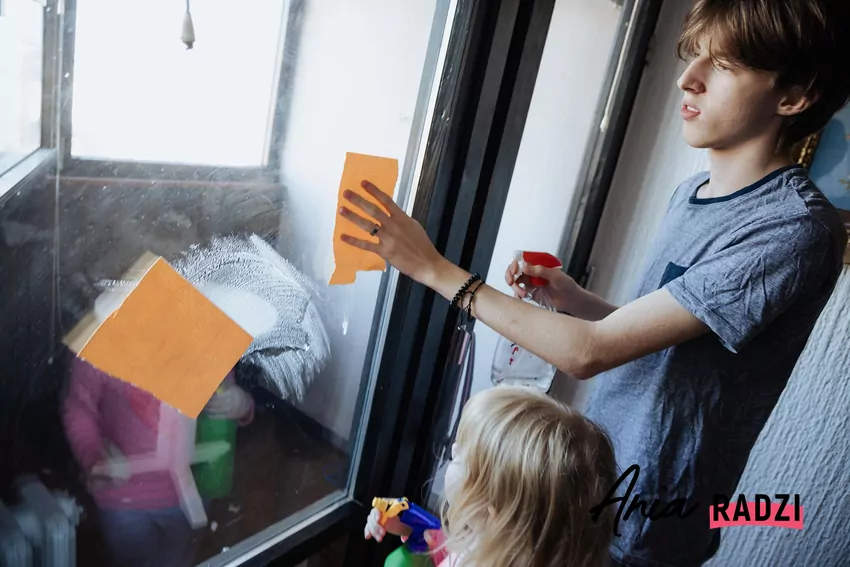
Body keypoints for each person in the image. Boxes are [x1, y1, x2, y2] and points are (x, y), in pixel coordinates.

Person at [341, 1, 850, 564]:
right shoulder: (692, 195)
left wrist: (432, 269)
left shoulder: (793, 229)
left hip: (646, 519)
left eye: (724, 65)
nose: (688, 78)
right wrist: (576, 300)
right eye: (694, 56)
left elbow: (590, 354)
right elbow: (658, 341)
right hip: (589, 491)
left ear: (794, 96)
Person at [364, 385, 618, 567]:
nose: (453, 449)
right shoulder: (490, 541)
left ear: (492, 514)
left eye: (459, 456)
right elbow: (453, 547)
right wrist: (411, 525)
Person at [62, 354, 254, 567]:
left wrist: (241, 404)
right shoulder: (104, 344)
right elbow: (78, 408)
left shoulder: (208, 343)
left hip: (191, 492)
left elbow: (227, 393)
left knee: (180, 559)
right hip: (121, 497)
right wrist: (92, 455)